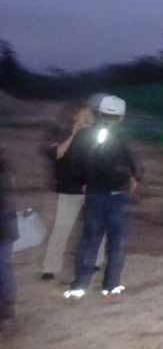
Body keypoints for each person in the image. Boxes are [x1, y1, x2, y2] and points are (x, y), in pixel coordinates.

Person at [64, 95, 143, 300]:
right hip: (119, 196)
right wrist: (135, 178)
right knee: (117, 243)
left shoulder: (84, 135)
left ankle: (78, 287)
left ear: (99, 113)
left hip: (94, 195)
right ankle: (110, 287)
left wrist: (83, 180)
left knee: (89, 240)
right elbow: (137, 165)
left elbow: (73, 163)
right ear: (121, 116)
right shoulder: (124, 138)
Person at [41, 101, 106, 281]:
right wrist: (75, 134)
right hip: (69, 189)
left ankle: (96, 262)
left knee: (96, 228)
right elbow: (57, 153)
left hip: (92, 189)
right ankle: (50, 267)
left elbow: (102, 159)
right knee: (61, 228)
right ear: (73, 116)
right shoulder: (58, 132)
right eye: (83, 114)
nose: (87, 118)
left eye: (89, 115)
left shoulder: (95, 134)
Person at [0, 146, 19, 328]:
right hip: (6, 225)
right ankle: (7, 313)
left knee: (3, 269)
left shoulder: (4, 171)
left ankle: (6, 314)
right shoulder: (6, 168)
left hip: (3, 227)